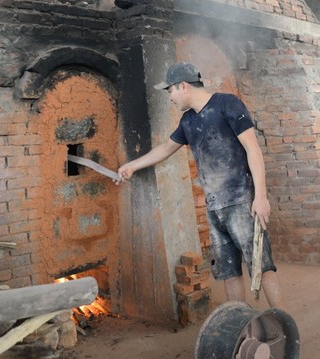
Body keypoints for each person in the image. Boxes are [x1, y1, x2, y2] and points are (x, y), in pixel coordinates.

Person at [117, 62, 285, 309]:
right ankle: (240, 324)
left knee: (261, 265)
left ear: (183, 86)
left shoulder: (228, 104)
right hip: (214, 207)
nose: (170, 97)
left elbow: (253, 149)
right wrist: (132, 165)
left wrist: (260, 197)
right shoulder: (188, 121)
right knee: (228, 271)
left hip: (242, 203)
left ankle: (284, 325)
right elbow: (165, 148)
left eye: (170, 91)